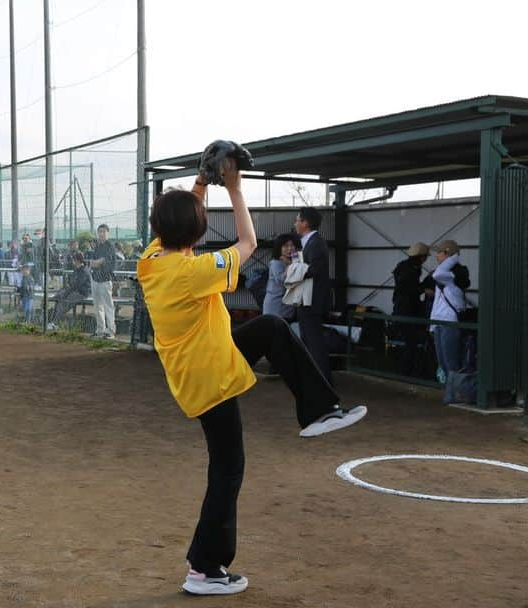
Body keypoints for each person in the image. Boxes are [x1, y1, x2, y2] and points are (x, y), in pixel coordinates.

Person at [137, 158, 366, 596]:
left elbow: (181, 224)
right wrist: (235, 189)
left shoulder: (154, 258)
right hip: (209, 376)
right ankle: (205, 569)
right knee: (227, 469)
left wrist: (202, 184)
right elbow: (248, 240)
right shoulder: (192, 271)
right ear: (196, 234)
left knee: (271, 327)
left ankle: (319, 410)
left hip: (206, 359)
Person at [293, 207, 332, 382]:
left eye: (297, 220)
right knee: (309, 341)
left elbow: (315, 269)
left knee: (315, 343)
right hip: (307, 301)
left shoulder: (316, 243)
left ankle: (323, 382)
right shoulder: (309, 242)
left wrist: (294, 270)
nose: (295, 223)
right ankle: (316, 379)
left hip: (312, 302)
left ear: (305, 223)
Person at [430, 240, 466, 384]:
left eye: (439, 253)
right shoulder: (446, 273)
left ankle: (455, 391)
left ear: (447, 254)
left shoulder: (453, 274)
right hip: (438, 319)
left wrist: (454, 256)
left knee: (450, 361)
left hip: (449, 320)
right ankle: (450, 391)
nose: (436, 256)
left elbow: (437, 275)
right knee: (442, 361)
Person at [392, 243, 430, 375]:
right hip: (406, 310)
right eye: (425, 257)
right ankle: (407, 371)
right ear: (421, 257)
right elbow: (406, 288)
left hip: (402, 309)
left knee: (409, 343)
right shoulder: (412, 269)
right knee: (411, 344)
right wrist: (422, 289)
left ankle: (406, 370)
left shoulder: (403, 266)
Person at [47, 252, 91, 330]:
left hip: (81, 293)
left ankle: (54, 323)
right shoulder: (76, 269)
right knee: (58, 299)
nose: (72, 261)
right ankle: (52, 322)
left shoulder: (84, 270)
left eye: (73, 259)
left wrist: (66, 293)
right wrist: (63, 292)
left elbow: (76, 286)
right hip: (74, 291)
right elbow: (71, 283)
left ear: (77, 260)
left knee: (65, 301)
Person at [89, 223, 117, 339]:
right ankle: (100, 330)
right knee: (97, 306)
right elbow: (92, 262)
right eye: (100, 232)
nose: (101, 234)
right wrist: (96, 262)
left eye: (103, 232)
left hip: (105, 279)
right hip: (95, 278)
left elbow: (103, 260)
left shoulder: (110, 246)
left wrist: (97, 262)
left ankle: (110, 331)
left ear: (107, 233)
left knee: (108, 306)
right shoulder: (97, 246)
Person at [262, 234, 299, 322]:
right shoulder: (276, 263)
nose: (290, 248)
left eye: (292, 245)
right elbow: (282, 280)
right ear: (279, 248)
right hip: (276, 308)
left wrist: (293, 262)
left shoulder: (293, 261)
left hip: (288, 308)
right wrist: (290, 265)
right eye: (286, 246)